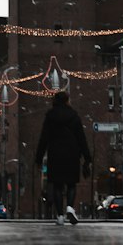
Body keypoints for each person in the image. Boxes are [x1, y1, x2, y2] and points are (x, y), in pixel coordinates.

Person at [35, 90, 91, 225]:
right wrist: (87, 157)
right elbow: (81, 138)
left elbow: (44, 138)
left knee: (57, 186)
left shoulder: (50, 116)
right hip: (72, 153)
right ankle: (70, 207)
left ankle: (60, 215)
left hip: (55, 154)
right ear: (67, 101)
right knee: (71, 183)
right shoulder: (74, 115)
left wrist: (39, 157)